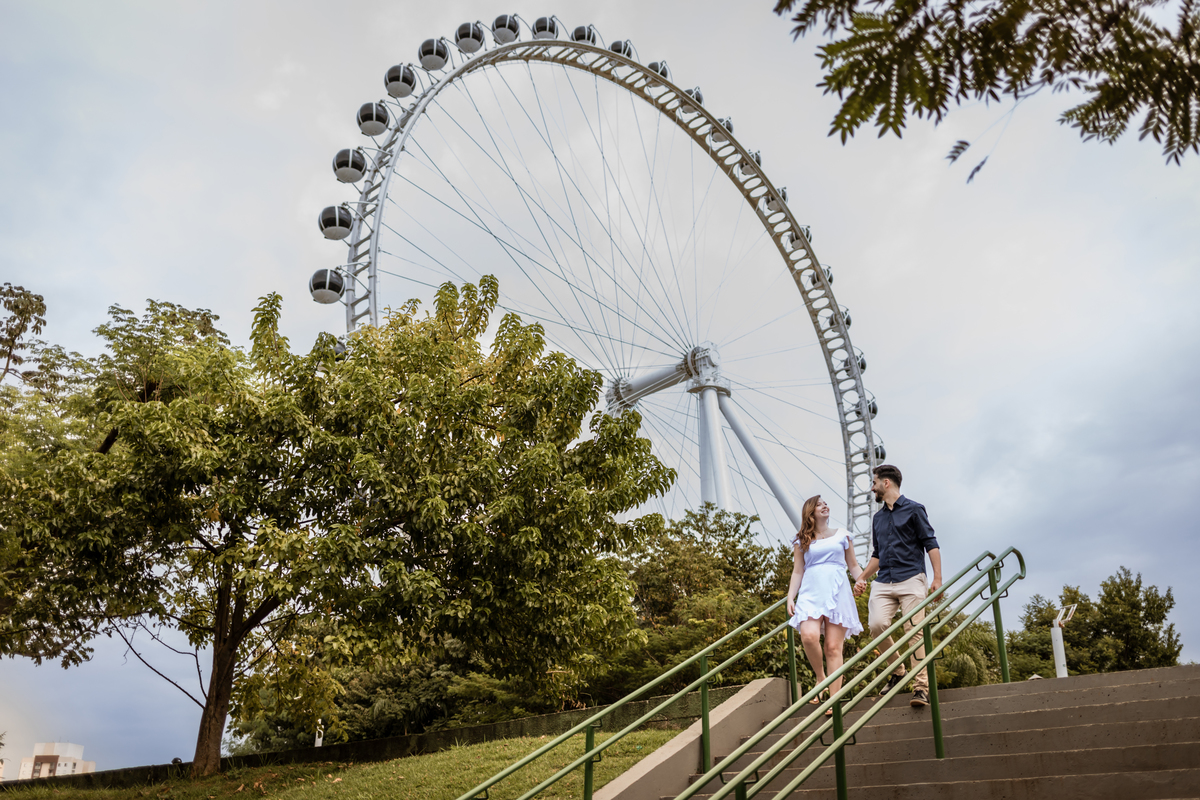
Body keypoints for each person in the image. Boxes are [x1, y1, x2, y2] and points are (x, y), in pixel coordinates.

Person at [853, 464, 942, 708]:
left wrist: (937, 580)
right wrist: (862, 578)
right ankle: (898, 670)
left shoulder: (914, 510)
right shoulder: (878, 518)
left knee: (913, 633)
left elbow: (931, 543)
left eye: (874, 483)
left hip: (912, 578)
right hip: (883, 581)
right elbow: (877, 555)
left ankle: (921, 688)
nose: (872, 487)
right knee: (876, 626)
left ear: (886, 483)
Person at [786, 495, 864, 714]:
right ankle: (821, 677)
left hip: (838, 589)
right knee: (809, 636)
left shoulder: (843, 535)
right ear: (810, 511)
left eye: (826, 504)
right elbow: (798, 570)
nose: (825, 506)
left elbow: (854, 565)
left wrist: (861, 579)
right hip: (811, 591)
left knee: (832, 646)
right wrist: (791, 596)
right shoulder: (801, 539)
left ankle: (833, 699)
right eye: (820, 504)